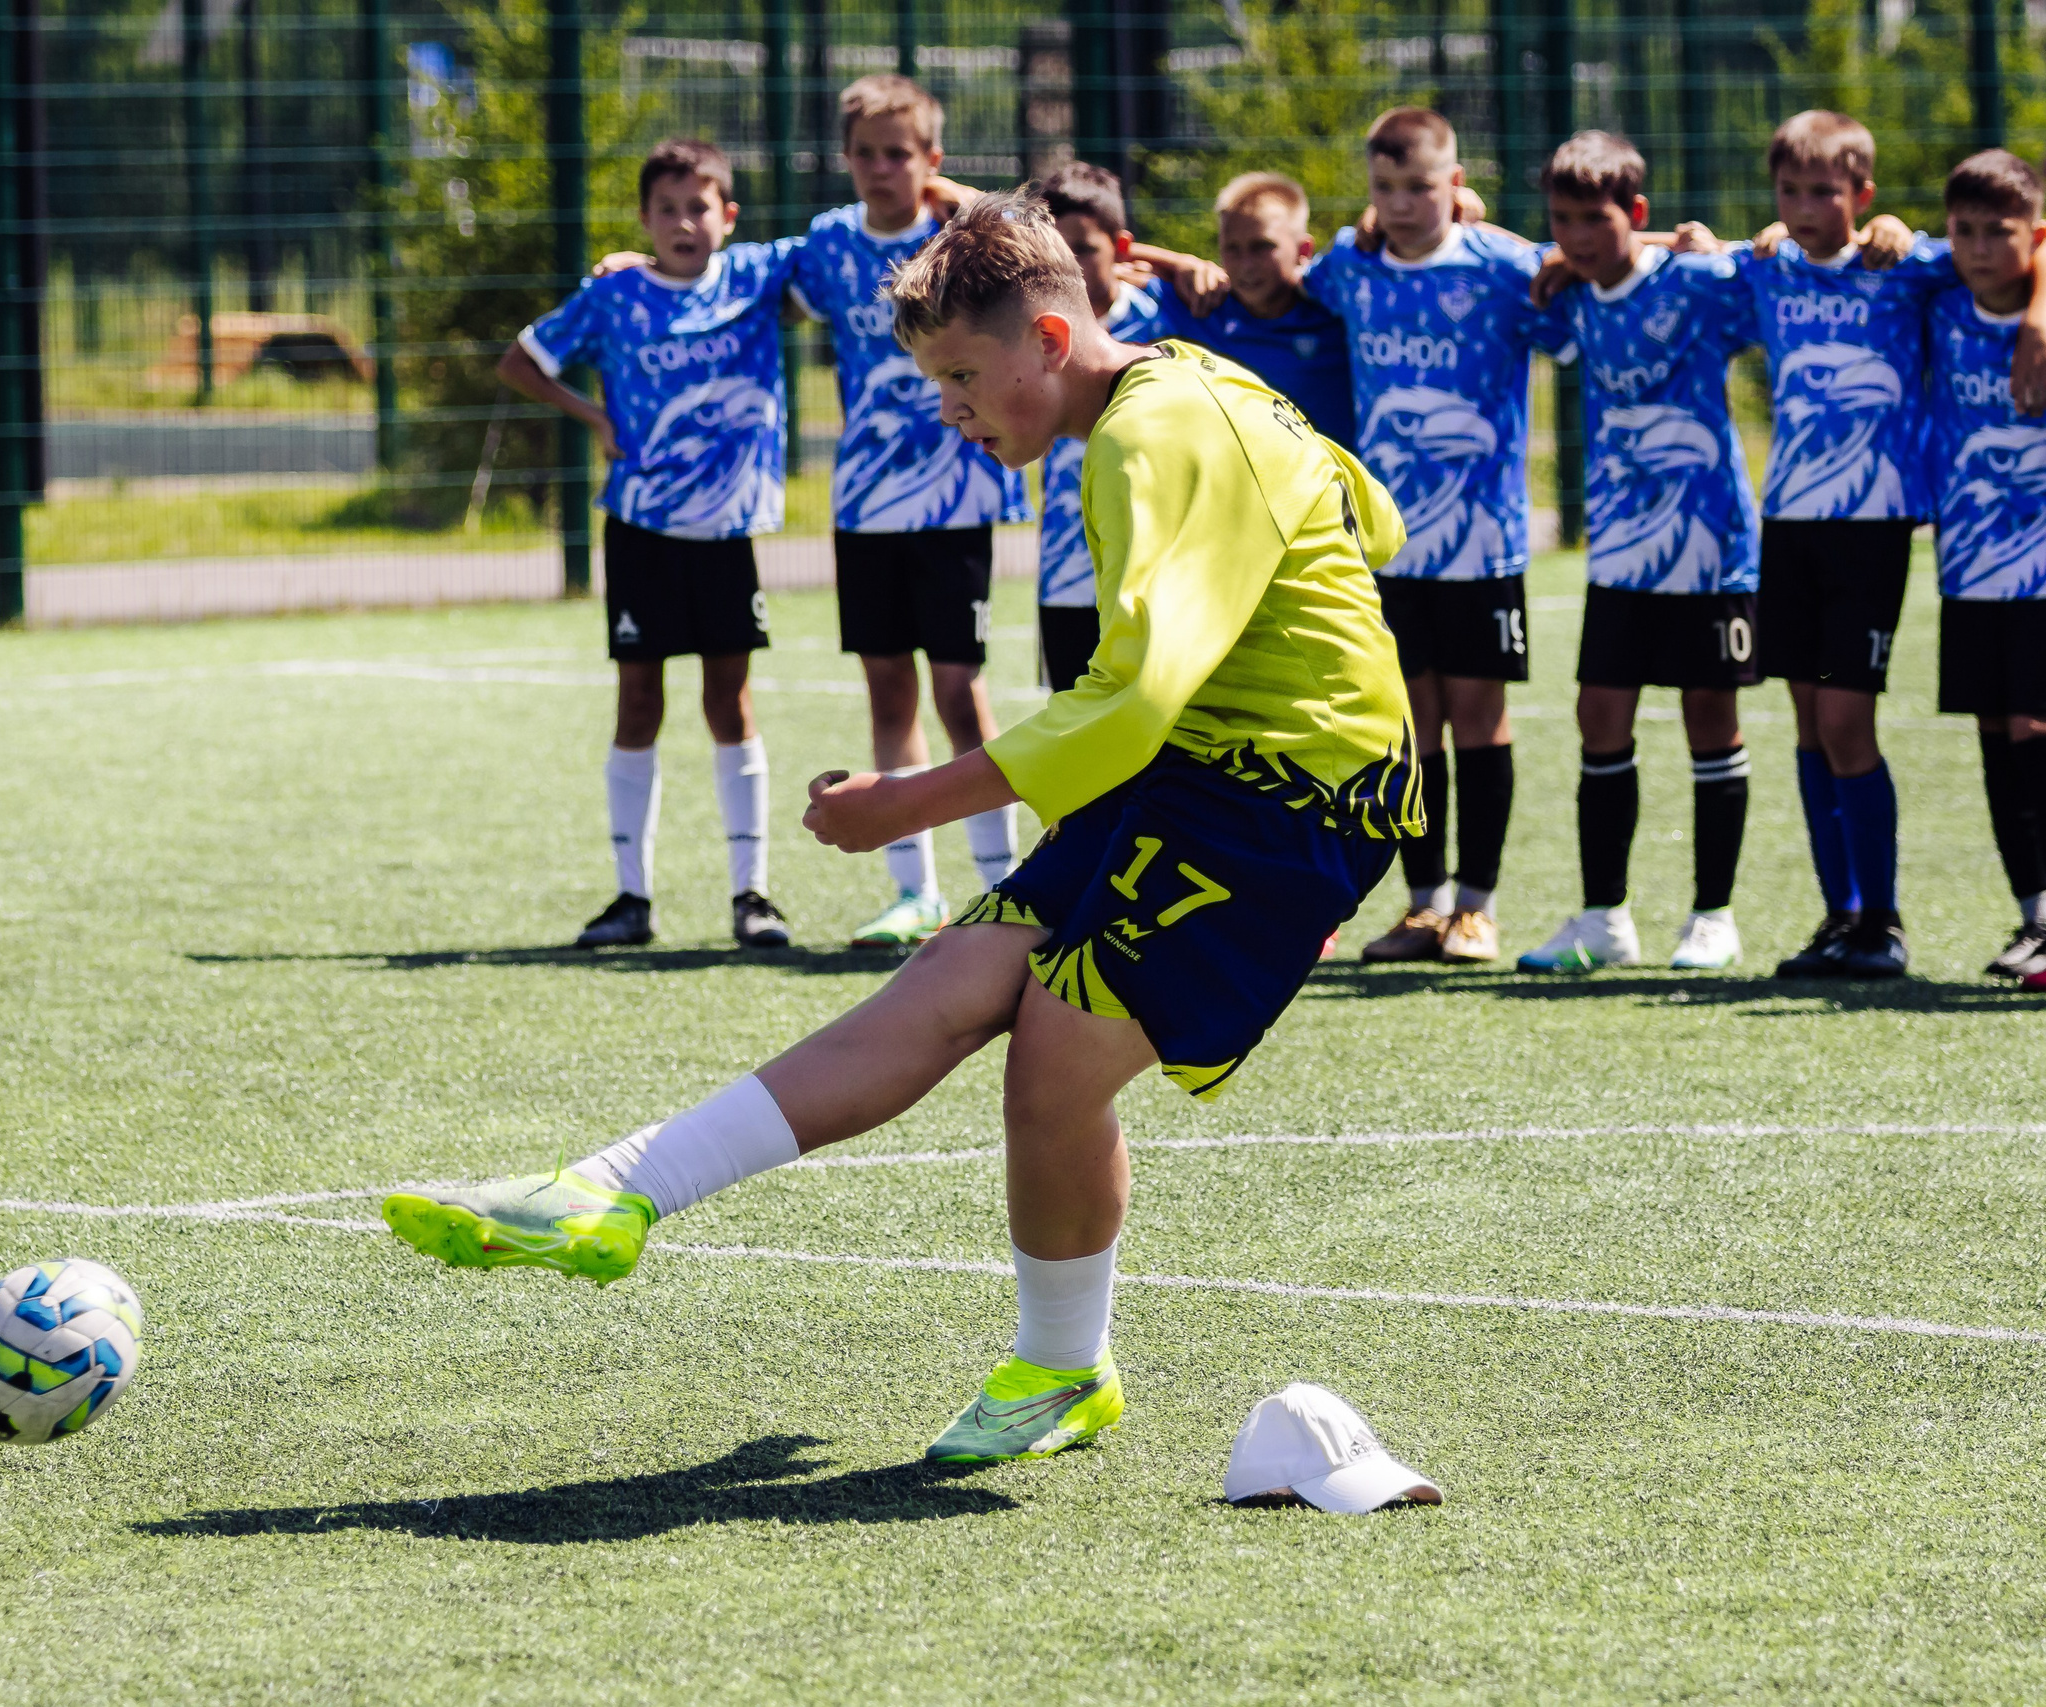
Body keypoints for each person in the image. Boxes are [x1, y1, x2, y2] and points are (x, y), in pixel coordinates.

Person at [381, 188, 1420, 1464]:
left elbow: (1136, 699)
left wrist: (906, 805)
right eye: (936, 381)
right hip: (1205, 767)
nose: (951, 408)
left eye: (964, 375)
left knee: (1052, 1060)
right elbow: (1373, 512)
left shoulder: (1153, 435)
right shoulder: (1169, 390)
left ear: (1048, 338)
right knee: (953, 977)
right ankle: (610, 1190)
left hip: (1297, 793)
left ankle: (1060, 1372)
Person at [495, 139, 799, 952]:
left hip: (726, 532)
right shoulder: (617, 295)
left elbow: (850, 253)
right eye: (665, 209)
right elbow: (520, 361)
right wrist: (594, 418)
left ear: (728, 217)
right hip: (639, 530)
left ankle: (752, 895)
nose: (682, 222)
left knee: (729, 703)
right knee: (638, 702)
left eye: (698, 207)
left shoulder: (757, 276)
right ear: (643, 218)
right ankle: (631, 897)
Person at [1305, 108, 1576, 965]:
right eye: (1384, 189)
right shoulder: (1349, 266)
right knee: (1408, 728)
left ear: (1455, 186)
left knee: (1478, 720)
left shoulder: (1503, 267)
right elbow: (1285, 280)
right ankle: (1422, 906)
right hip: (1386, 549)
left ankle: (1479, 907)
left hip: (1481, 544)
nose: (1402, 204)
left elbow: (1573, 311)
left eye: (1420, 186)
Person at [787, 76, 1034, 949]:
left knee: (961, 692)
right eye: (867, 153)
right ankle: (914, 893)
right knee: (888, 690)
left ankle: (1005, 887)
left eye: (902, 153)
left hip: (955, 498)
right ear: (846, 160)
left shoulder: (961, 240)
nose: (883, 168)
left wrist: (961, 202)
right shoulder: (824, 245)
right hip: (863, 507)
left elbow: (1036, 234)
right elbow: (732, 278)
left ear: (932, 161)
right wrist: (631, 262)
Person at [1718, 112, 1960, 978]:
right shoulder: (1769, 267)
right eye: (1792, 190)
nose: (1807, 205)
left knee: (1846, 719)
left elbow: (2009, 247)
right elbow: (1681, 252)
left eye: (1826, 190)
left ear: (1861, 194)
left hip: (1873, 526)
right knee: (1809, 727)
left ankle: (1884, 923)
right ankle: (1839, 916)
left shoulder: (1902, 264)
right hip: (1789, 521)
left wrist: (1905, 230)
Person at [1514, 132, 1760, 972]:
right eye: (1562, 219)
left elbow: (1760, 291)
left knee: (1709, 717)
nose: (1577, 236)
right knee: (1599, 714)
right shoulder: (1570, 296)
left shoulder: (1694, 281)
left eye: (1596, 219)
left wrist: (1709, 246)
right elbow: (1511, 264)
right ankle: (1603, 917)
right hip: (1621, 549)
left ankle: (1713, 915)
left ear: (1637, 214)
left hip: (1709, 544)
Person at [1923, 150, 2046, 982]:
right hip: (1967, 563)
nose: (1975, 248)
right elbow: (1860, 249)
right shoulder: (1936, 298)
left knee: (2037, 731)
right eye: (1961, 231)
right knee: (1996, 733)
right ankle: (2033, 914)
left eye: (1996, 234)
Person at [1033, 161, 1163, 694]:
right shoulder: (1034, 332)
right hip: (1065, 575)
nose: (1071, 267)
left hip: (1151, 577)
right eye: (1056, 252)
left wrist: (1175, 265)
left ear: (1121, 247)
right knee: (1070, 739)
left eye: (1085, 249)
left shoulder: (1166, 319)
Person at [1143, 171, 1358, 454]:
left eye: (1262, 247)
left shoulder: (1339, 313)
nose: (1246, 265)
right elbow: (1107, 258)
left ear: (1303, 249)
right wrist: (1181, 262)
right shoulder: (1204, 306)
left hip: (1330, 492)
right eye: (1232, 249)